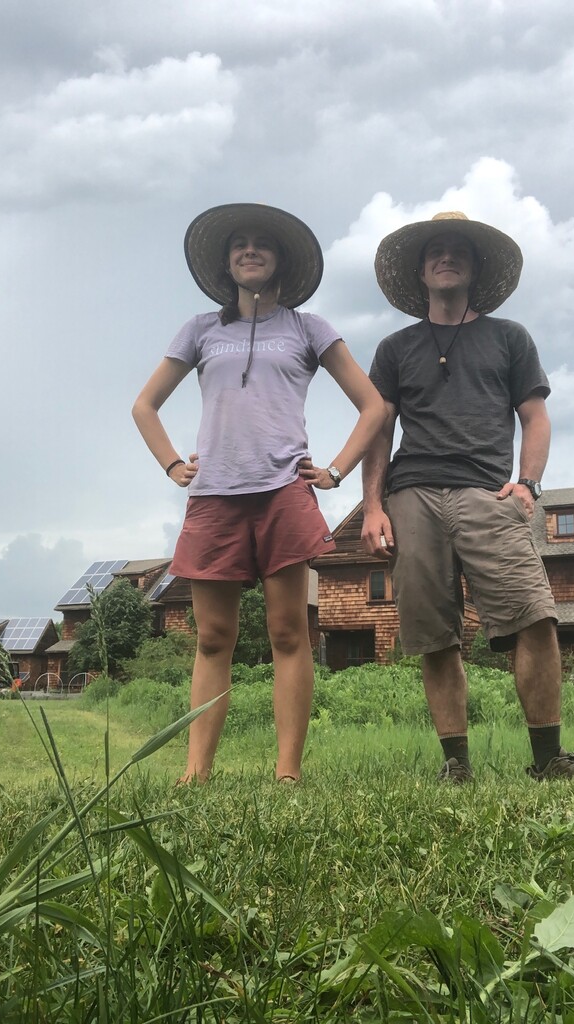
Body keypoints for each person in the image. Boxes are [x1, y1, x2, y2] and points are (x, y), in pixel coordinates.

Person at [133, 203, 385, 783]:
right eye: (239, 243)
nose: (250, 250)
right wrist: (172, 464)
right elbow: (144, 405)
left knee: (289, 632)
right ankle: (196, 771)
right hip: (214, 496)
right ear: (227, 262)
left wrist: (336, 471)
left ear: (280, 260)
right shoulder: (200, 329)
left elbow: (373, 406)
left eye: (262, 243)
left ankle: (287, 772)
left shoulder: (308, 328)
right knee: (213, 637)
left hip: (283, 493)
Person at [361, 211, 574, 783]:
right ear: (421, 271)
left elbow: (535, 416)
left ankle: (550, 759)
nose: (446, 256)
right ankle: (456, 765)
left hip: (488, 491)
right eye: (435, 250)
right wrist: (373, 507)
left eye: (459, 249)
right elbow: (379, 430)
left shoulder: (509, 337)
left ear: (475, 268)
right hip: (412, 494)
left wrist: (528, 483)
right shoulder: (395, 348)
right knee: (434, 636)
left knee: (535, 616)